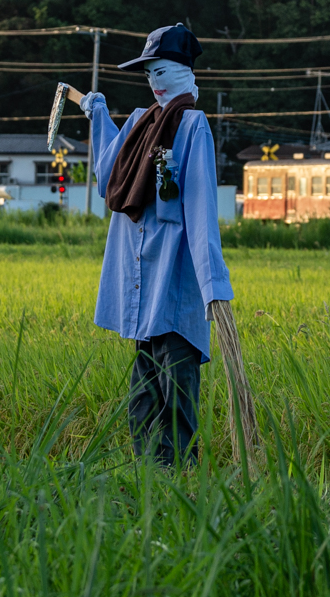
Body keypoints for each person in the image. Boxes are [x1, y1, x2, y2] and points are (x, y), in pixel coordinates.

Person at [81, 24, 233, 467]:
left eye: (162, 71)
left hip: (177, 286)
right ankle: (149, 481)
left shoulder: (191, 125)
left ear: (185, 71)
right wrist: (98, 114)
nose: (155, 82)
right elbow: (110, 175)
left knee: (176, 398)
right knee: (143, 400)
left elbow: (203, 209)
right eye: (148, 74)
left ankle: (181, 481)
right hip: (142, 285)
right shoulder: (140, 123)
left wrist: (214, 288)